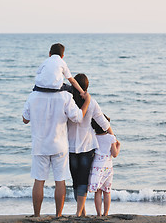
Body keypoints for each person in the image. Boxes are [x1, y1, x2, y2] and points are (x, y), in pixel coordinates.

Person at [22, 84, 91, 217]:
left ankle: (37, 216)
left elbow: (25, 119)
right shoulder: (65, 96)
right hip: (59, 145)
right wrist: (87, 101)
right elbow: (77, 117)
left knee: (38, 181)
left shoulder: (33, 96)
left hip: (40, 145)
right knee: (60, 181)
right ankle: (58, 216)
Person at [67, 74, 114, 217]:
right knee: (82, 180)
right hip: (87, 148)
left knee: (76, 181)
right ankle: (80, 212)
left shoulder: (68, 101)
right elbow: (104, 123)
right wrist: (113, 138)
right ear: (86, 87)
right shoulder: (91, 102)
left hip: (70, 147)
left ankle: (81, 212)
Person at [88, 115, 121, 216]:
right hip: (107, 167)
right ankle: (106, 213)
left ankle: (98, 214)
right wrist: (118, 146)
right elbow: (114, 154)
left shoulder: (93, 137)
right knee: (107, 191)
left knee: (97, 192)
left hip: (96, 167)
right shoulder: (111, 138)